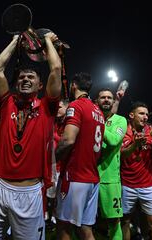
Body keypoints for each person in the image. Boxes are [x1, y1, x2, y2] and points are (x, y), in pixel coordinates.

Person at [0, 32, 61, 240]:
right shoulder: (7, 103)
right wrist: (16, 41)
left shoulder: (47, 107)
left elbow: (56, 68)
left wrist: (48, 42)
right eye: (22, 77)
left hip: (29, 191)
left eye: (31, 77)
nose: (25, 79)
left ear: (40, 85)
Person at [56, 72, 105, 240]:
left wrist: (51, 159)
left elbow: (68, 140)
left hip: (75, 176)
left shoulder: (76, 105)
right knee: (85, 228)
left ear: (73, 85)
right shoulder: (97, 110)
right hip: (92, 177)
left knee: (64, 227)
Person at [120, 102, 152, 240]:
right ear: (131, 115)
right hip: (126, 184)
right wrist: (135, 145)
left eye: (146, 114)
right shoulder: (122, 131)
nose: (145, 117)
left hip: (148, 185)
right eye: (141, 113)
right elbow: (121, 155)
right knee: (125, 222)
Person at [96, 89, 127, 240]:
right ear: (97, 101)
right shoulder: (92, 117)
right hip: (88, 176)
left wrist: (96, 122)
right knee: (84, 221)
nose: (107, 100)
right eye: (103, 98)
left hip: (110, 179)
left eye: (109, 97)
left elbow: (114, 140)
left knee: (114, 221)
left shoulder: (120, 120)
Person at [45, 98, 69, 230]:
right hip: (51, 165)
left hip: (64, 165)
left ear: (67, 108)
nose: (57, 109)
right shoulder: (52, 121)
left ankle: (56, 217)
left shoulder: (70, 124)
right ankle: (49, 216)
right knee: (50, 194)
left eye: (60, 107)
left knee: (60, 195)